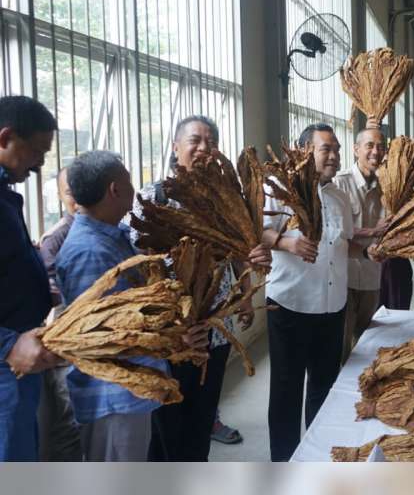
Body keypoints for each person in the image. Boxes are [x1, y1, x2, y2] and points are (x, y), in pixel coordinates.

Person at [130, 115, 268, 462]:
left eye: (211, 142)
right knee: (168, 425)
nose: (205, 148)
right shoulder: (153, 196)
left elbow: (238, 250)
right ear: (176, 147)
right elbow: (137, 261)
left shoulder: (224, 200)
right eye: (195, 140)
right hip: (170, 336)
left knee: (202, 417)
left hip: (216, 331)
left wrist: (245, 293)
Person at [55, 150, 208, 461]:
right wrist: (174, 339)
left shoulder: (114, 236)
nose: (134, 189)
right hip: (113, 397)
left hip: (131, 391)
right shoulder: (89, 251)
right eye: (128, 181)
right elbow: (105, 336)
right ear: (114, 189)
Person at [262, 123, 367, 461]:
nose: (334, 156)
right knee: (286, 391)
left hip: (332, 307)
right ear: (304, 151)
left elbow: (344, 245)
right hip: (290, 305)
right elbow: (257, 232)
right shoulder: (280, 190)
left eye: (337, 149)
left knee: (324, 387)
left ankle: (317, 459)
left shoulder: (338, 195)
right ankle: (284, 463)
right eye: (326, 149)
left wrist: (367, 252)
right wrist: (285, 242)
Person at [0, 95, 61, 462]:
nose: (39, 165)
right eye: (37, 151)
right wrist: (7, 345)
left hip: (22, 353)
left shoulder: (5, 194)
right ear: (5, 137)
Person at [36, 167, 82, 461]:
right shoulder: (55, 239)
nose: (77, 199)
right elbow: (55, 299)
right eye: (69, 193)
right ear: (60, 197)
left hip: (95, 346)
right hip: (65, 349)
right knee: (69, 426)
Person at [333, 127, 390, 363]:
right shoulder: (340, 183)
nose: (375, 152)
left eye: (380, 146)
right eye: (369, 145)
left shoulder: (387, 187)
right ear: (356, 149)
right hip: (342, 278)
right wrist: (373, 231)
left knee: (366, 343)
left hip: (371, 276)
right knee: (340, 345)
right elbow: (334, 230)